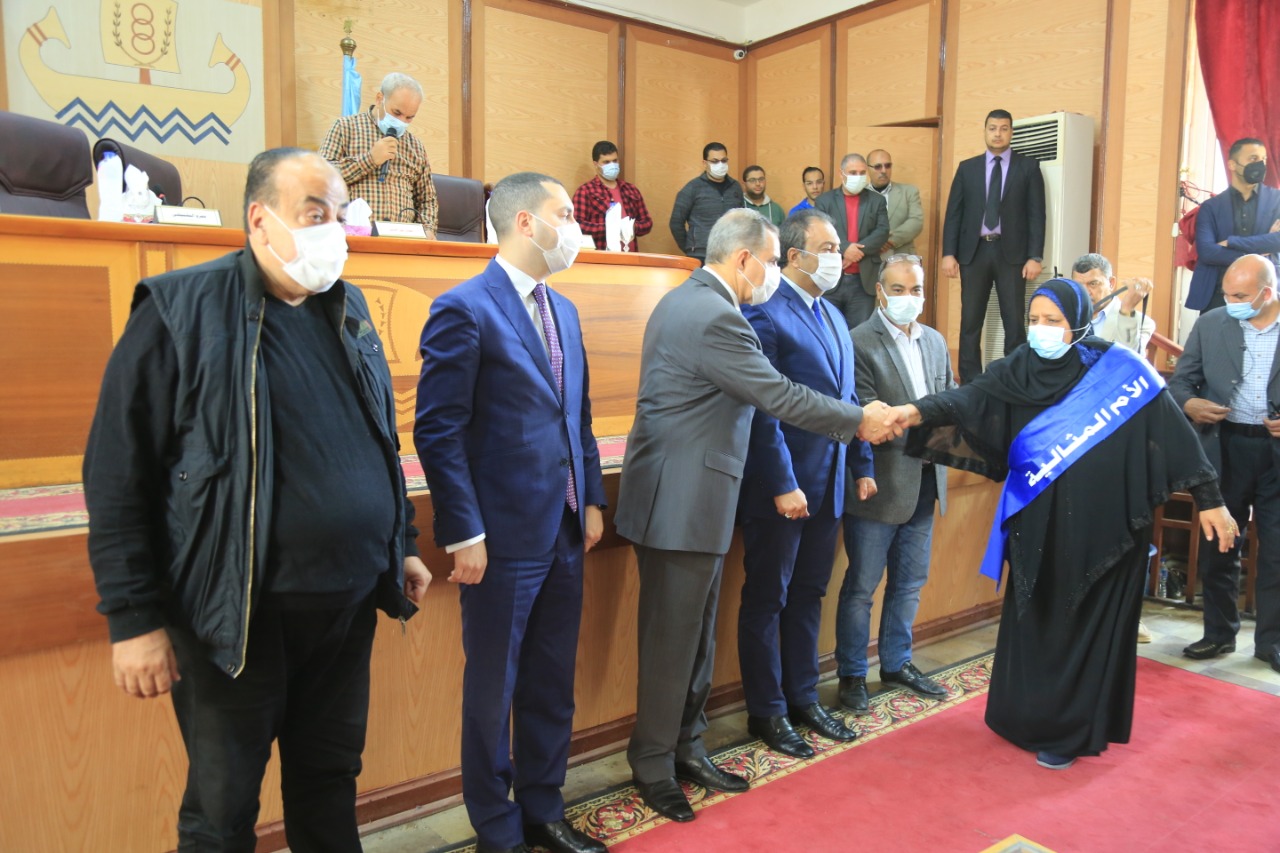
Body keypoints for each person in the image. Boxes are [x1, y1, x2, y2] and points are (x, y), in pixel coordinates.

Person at [83, 148, 432, 851]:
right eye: (314, 213)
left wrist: (401, 544)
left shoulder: (348, 308)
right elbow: (118, 475)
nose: (332, 229)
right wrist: (133, 619)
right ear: (259, 219)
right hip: (235, 616)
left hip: (345, 607)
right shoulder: (181, 309)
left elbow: (376, 436)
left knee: (329, 779)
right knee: (223, 810)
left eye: (340, 214)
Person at [615, 208, 900, 823]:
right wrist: (860, 420)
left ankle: (687, 747)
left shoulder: (693, 299)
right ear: (743, 258)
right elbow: (777, 394)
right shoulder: (715, 314)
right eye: (771, 261)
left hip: (700, 499)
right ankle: (653, 764)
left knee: (695, 639)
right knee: (671, 644)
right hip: (680, 501)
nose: (774, 273)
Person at [881, 278, 1236, 770]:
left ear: (1080, 322)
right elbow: (966, 400)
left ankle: (1071, 731)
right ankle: (1024, 717)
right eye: (1034, 320)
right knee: (1038, 614)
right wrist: (912, 411)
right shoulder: (1017, 369)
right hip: (1039, 521)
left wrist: (1211, 501)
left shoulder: (1120, 371)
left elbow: (1175, 437)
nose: (1041, 330)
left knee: (1083, 621)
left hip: (1106, 526)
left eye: (1053, 321)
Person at [415, 172, 607, 853]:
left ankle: (543, 809)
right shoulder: (464, 308)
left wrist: (591, 500)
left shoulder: (566, 311)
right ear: (526, 222)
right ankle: (497, 829)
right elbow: (438, 430)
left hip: (563, 529)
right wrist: (463, 530)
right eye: (565, 214)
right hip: (499, 537)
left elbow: (577, 417)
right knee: (493, 691)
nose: (575, 228)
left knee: (552, 683)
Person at [737, 209, 869, 759]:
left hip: (830, 481)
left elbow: (849, 399)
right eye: (830, 247)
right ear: (795, 255)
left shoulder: (834, 314)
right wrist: (782, 481)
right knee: (768, 597)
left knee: (810, 593)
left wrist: (861, 465)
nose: (840, 256)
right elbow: (762, 408)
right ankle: (767, 710)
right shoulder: (765, 311)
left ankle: (803, 697)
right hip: (782, 486)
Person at [835, 254, 955, 714]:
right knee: (862, 586)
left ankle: (897, 662)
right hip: (879, 482)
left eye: (916, 289)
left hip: (927, 478)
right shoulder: (859, 342)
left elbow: (949, 401)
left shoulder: (935, 341)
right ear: (880, 292)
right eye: (899, 289)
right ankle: (851, 674)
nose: (909, 298)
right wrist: (922, 421)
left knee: (909, 582)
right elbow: (870, 418)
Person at [1169, 254, 1280, 674]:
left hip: (1275, 454)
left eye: (1240, 296)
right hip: (1223, 447)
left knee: (1277, 551)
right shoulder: (1211, 324)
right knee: (1220, 544)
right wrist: (1190, 404)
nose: (1229, 302)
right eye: (1227, 294)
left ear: (1267, 293)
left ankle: (1272, 642)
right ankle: (1218, 632)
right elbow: (1181, 382)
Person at [941, 109, 1046, 383]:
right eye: (992, 128)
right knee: (970, 322)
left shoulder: (1028, 167)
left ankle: (1014, 379)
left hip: (1012, 255)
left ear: (1011, 132)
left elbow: (1037, 215)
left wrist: (1035, 256)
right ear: (985, 131)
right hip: (974, 253)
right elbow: (954, 214)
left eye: (1003, 128)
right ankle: (971, 382)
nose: (998, 134)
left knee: (1014, 321)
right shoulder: (967, 168)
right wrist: (949, 253)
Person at [320, 72, 439, 234]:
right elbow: (321, 180)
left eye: (409, 117)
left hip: (402, 239)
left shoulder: (415, 146)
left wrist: (428, 229)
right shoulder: (345, 128)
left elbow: (427, 200)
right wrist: (370, 160)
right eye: (396, 113)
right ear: (379, 99)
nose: (401, 121)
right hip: (352, 237)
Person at [1184, 138, 1280, 313]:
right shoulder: (1211, 207)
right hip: (1217, 294)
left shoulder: (1277, 200)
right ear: (1232, 164)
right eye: (1253, 158)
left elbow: (1278, 241)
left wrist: (1231, 242)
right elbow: (1207, 252)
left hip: (1264, 294)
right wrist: (1261, 248)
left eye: (1263, 159)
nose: (1260, 164)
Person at [815, 153, 890, 328]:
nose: (858, 176)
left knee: (859, 334)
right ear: (841, 174)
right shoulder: (824, 201)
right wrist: (846, 248)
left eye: (862, 173)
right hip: (832, 279)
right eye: (853, 172)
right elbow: (820, 232)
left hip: (863, 282)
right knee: (829, 331)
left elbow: (882, 232)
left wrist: (857, 252)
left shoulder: (877, 201)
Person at [669, 142, 746, 261]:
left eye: (724, 160)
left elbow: (742, 220)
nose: (720, 165)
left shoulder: (735, 187)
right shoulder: (692, 188)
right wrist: (690, 248)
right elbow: (676, 222)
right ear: (705, 163)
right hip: (700, 254)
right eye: (715, 161)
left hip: (730, 254)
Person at [571, 140, 653, 252]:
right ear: (596, 164)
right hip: (601, 257)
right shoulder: (585, 191)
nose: (612, 165)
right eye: (606, 162)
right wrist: (610, 228)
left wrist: (631, 227)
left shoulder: (631, 189)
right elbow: (576, 226)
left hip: (630, 256)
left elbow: (647, 223)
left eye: (615, 161)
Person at [1071, 253, 1157, 355]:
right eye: (1078, 285)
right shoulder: (1065, 315)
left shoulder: (1141, 322)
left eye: (1093, 284)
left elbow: (1129, 358)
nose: (1085, 292)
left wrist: (1127, 311)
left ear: (1111, 283)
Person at [867, 149, 923, 259]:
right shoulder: (859, 195)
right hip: (868, 259)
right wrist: (875, 242)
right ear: (867, 168)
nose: (884, 171)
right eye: (878, 166)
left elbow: (916, 222)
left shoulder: (909, 192)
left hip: (902, 258)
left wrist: (890, 240)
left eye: (887, 166)